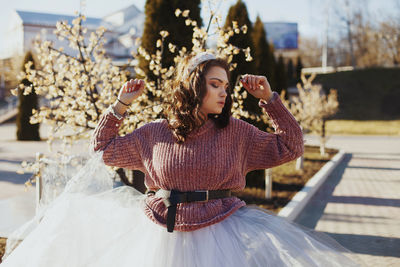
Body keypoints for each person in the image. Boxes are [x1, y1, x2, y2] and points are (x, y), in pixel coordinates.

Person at [1, 52, 363, 266]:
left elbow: (292, 147)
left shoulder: (236, 132)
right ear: (194, 85)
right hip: (160, 235)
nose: (224, 92)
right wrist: (120, 106)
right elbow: (102, 150)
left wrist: (270, 100)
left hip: (225, 234)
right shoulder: (155, 132)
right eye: (215, 84)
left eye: (226, 85)